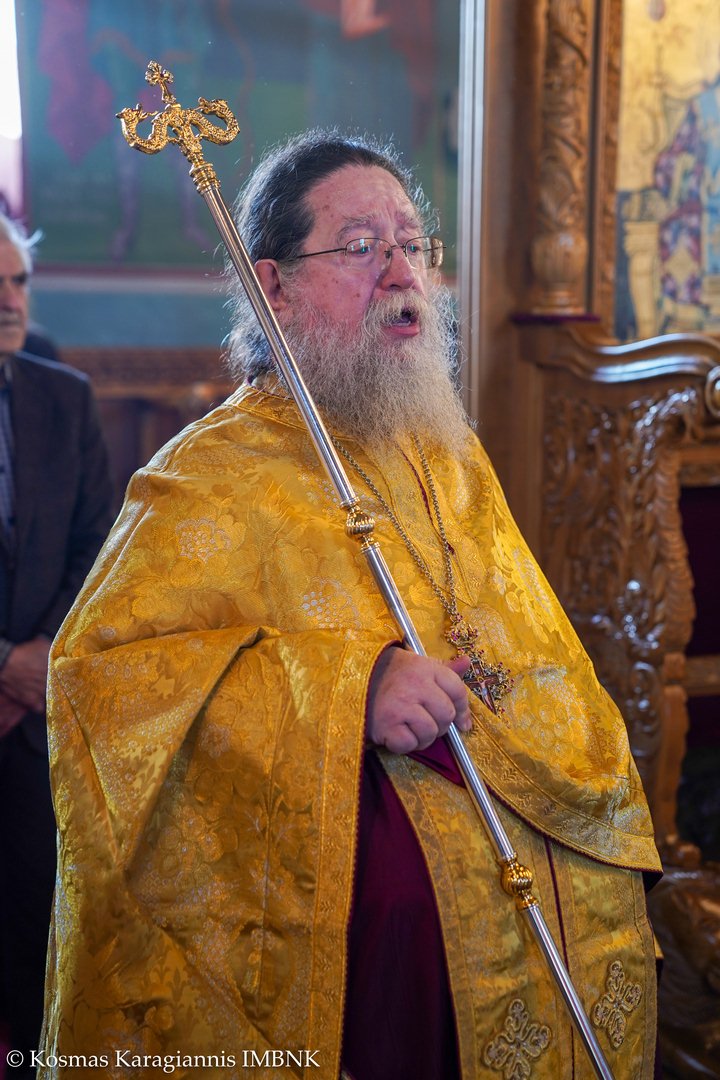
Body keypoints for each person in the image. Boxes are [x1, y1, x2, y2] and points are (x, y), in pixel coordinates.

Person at [41, 132, 661, 1080]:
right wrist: (351, 687)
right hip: (355, 902)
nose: (402, 272)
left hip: (518, 816)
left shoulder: (448, 453)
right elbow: (104, 686)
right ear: (274, 287)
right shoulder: (204, 478)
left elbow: (536, 648)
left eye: (412, 243)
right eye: (362, 245)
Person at [0, 213, 113, 1077]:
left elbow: (99, 547)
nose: (11, 301)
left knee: (34, 933)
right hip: (19, 678)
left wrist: (36, 657)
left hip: (35, 717)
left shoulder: (63, 397)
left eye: (18, 283)